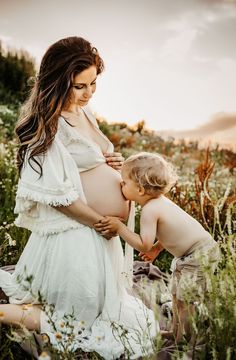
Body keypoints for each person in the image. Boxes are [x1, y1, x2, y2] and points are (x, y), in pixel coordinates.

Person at [0, 37, 158, 359]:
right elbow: (59, 197)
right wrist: (104, 222)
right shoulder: (47, 127)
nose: (88, 93)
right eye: (79, 86)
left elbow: (90, 159)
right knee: (76, 321)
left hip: (101, 237)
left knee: (101, 311)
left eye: (93, 84)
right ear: (59, 82)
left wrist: (114, 163)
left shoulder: (84, 112)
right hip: (77, 237)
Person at [94, 152, 220, 343]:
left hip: (199, 255)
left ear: (140, 189)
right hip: (195, 251)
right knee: (177, 296)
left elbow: (142, 244)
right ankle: (176, 333)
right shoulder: (160, 203)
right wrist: (156, 249)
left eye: (124, 182)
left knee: (185, 302)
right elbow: (176, 231)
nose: (121, 185)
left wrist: (120, 228)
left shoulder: (150, 210)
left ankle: (185, 340)